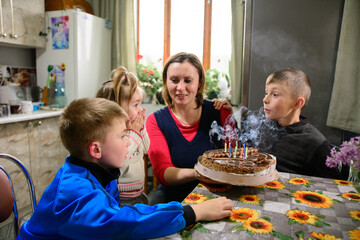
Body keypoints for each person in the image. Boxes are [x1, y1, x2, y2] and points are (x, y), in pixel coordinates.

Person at [17, 98, 233, 240]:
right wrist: (194, 211)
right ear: (96, 149)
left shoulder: (95, 170)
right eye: (122, 136)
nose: (128, 142)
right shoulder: (74, 191)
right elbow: (123, 223)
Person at [146, 52, 233, 205]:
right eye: (174, 80)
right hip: (173, 197)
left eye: (188, 80)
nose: (180, 88)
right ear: (166, 82)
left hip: (216, 193)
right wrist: (201, 173)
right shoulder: (156, 121)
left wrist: (229, 120)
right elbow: (162, 173)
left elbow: (236, 158)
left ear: (199, 83)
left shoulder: (220, 112)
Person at [235, 68, 343, 179]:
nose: (265, 99)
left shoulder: (315, 143)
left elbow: (334, 185)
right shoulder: (263, 127)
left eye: (275, 94)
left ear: (298, 103)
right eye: (266, 92)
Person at [96, 66, 149, 206]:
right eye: (135, 105)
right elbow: (122, 157)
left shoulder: (134, 131)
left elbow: (146, 149)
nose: (140, 110)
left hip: (138, 193)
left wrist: (141, 130)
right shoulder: (112, 135)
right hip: (121, 198)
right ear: (116, 108)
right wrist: (134, 133)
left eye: (140, 104)